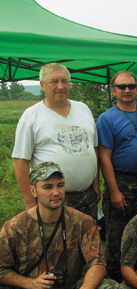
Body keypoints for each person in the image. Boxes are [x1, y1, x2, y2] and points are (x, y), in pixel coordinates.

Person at [0, 162, 118, 289]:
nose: (56, 192)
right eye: (47, 187)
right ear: (33, 191)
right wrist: (31, 283)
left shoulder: (82, 221)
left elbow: (97, 263)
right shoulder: (14, 228)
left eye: (60, 185)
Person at [12, 62, 100, 218]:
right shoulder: (31, 116)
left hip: (88, 197)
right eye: (54, 81)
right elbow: (20, 161)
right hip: (53, 199)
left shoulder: (83, 109)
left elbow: (93, 149)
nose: (60, 86)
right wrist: (30, 202)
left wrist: (96, 185)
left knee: (88, 239)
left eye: (65, 81)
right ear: (42, 85)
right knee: (57, 241)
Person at [96, 70, 137, 282]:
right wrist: (114, 190)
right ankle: (115, 281)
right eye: (122, 87)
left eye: (131, 86)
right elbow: (104, 156)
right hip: (121, 179)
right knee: (118, 233)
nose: (127, 90)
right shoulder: (106, 118)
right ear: (114, 91)